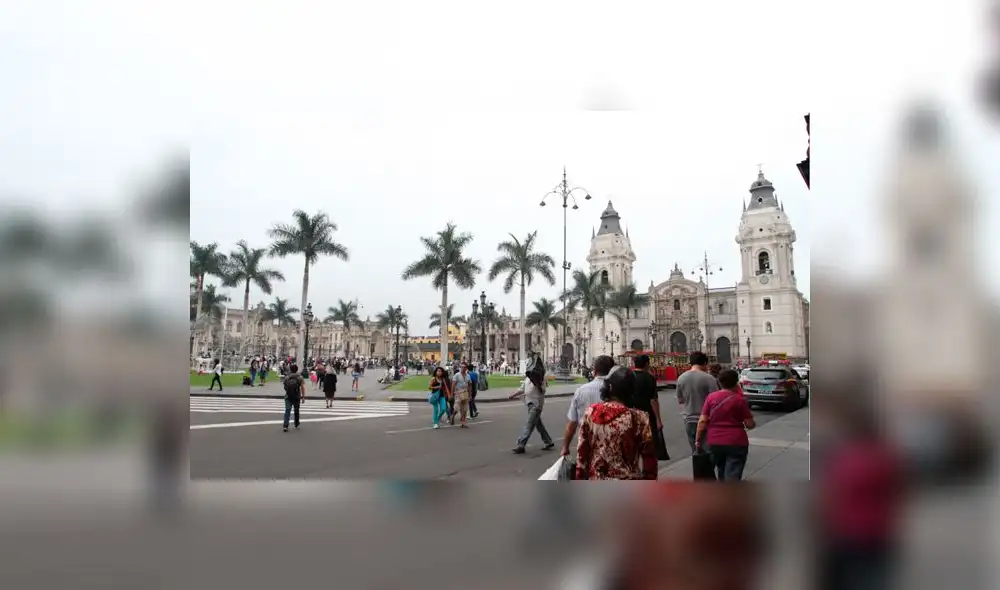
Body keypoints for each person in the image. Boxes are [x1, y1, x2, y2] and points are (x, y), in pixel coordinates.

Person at [575, 365, 657, 480]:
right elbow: (649, 460)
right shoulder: (639, 418)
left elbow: (582, 455)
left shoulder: (591, 412)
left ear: (609, 387)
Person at [694, 369, 756, 481]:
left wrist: (698, 439)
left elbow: (702, 421)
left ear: (719, 382)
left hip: (714, 441)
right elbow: (749, 424)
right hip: (736, 441)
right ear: (736, 382)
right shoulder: (740, 400)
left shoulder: (711, 397)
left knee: (720, 469)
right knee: (733, 474)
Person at [560, 355, 615, 458]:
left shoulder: (581, 391)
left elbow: (572, 423)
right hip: (611, 443)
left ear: (594, 371)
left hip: (586, 443)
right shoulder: (617, 390)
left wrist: (565, 447)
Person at [509, 357, 555, 454]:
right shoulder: (527, 379)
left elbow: (543, 390)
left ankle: (521, 444)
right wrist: (512, 395)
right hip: (529, 404)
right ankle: (548, 441)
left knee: (529, 424)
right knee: (538, 425)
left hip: (536, 405)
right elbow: (521, 389)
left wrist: (537, 383)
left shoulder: (540, 379)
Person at [676, 351, 719, 453]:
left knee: (696, 452)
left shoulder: (681, 378)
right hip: (707, 420)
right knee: (709, 452)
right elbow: (717, 401)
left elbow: (680, 400)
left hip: (689, 420)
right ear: (704, 363)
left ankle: (698, 468)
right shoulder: (709, 379)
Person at [632, 354, 668, 460]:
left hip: (632, 412)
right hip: (647, 413)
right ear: (647, 364)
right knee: (649, 441)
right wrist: (658, 419)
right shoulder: (649, 377)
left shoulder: (629, 376)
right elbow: (653, 400)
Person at [282, 364, 306, 432]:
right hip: (296, 396)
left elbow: (285, 387)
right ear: (297, 370)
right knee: (296, 410)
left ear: (290, 369)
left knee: (287, 410)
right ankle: (296, 424)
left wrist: (288, 391)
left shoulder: (287, 377)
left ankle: (285, 426)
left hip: (288, 396)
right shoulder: (300, 377)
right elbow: (302, 388)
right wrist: (303, 397)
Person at [452, 363, 472, 428]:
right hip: (458, 392)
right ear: (460, 368)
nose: (463, 368)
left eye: (464, 367)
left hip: (465, 392)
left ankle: (463, 423)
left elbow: (469, 385)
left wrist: (470, 394)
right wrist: (451, 394)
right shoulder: (457, 375)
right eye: (462, 367)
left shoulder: (468, 376)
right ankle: (452, 415)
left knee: (465, 409)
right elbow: (453, 385)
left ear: (466, 368)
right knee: (456, 407)